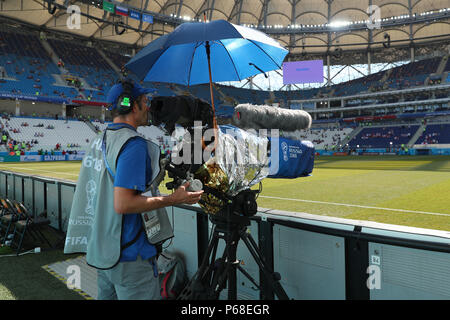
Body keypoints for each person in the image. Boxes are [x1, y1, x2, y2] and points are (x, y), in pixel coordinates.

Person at [64, 80, 203, 300]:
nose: (148, 107)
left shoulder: (99, 140)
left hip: (105, 253)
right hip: (130, 257)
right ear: (131, 105)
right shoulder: (133, 144)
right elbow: (124, 204)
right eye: (144, 101)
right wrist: (173, 199)